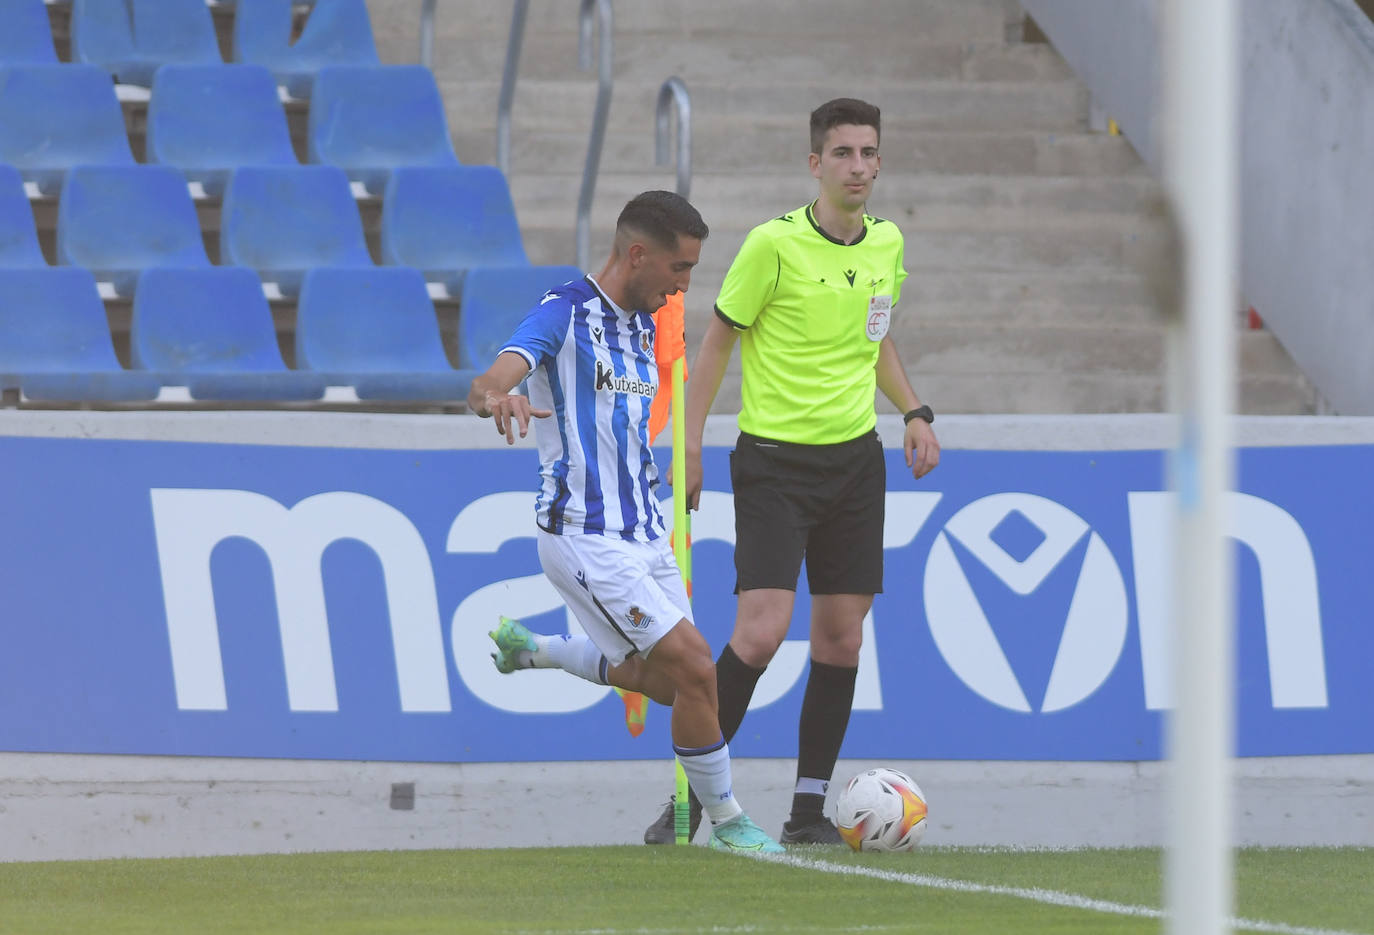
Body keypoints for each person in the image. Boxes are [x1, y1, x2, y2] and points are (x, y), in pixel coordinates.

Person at [641, 98, 941, 846]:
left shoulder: (887, 244)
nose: (860, 167)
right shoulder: (771, 246)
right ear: (815, 164)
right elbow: (715, 344)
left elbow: (879, 340)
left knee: (841, 640)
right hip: (774, 461)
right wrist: (692, 443)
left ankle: (808, 811)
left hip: (854, 463)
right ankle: (691, 802)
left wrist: (914, 410)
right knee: (762, 630)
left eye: (870, 153)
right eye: (843, 153)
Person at [468, 190, 783, 855]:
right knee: (699, 667)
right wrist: (499, 394)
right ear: (637, 254)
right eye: (680, 268)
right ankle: (728, 823)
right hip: (584, 536)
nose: (683, 284)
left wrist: (683, 460)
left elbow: (636, 423)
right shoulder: (565, 313)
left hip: (647, 535)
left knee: (677, 685)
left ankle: (537, 650)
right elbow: (498, 373)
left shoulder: (647, 322)